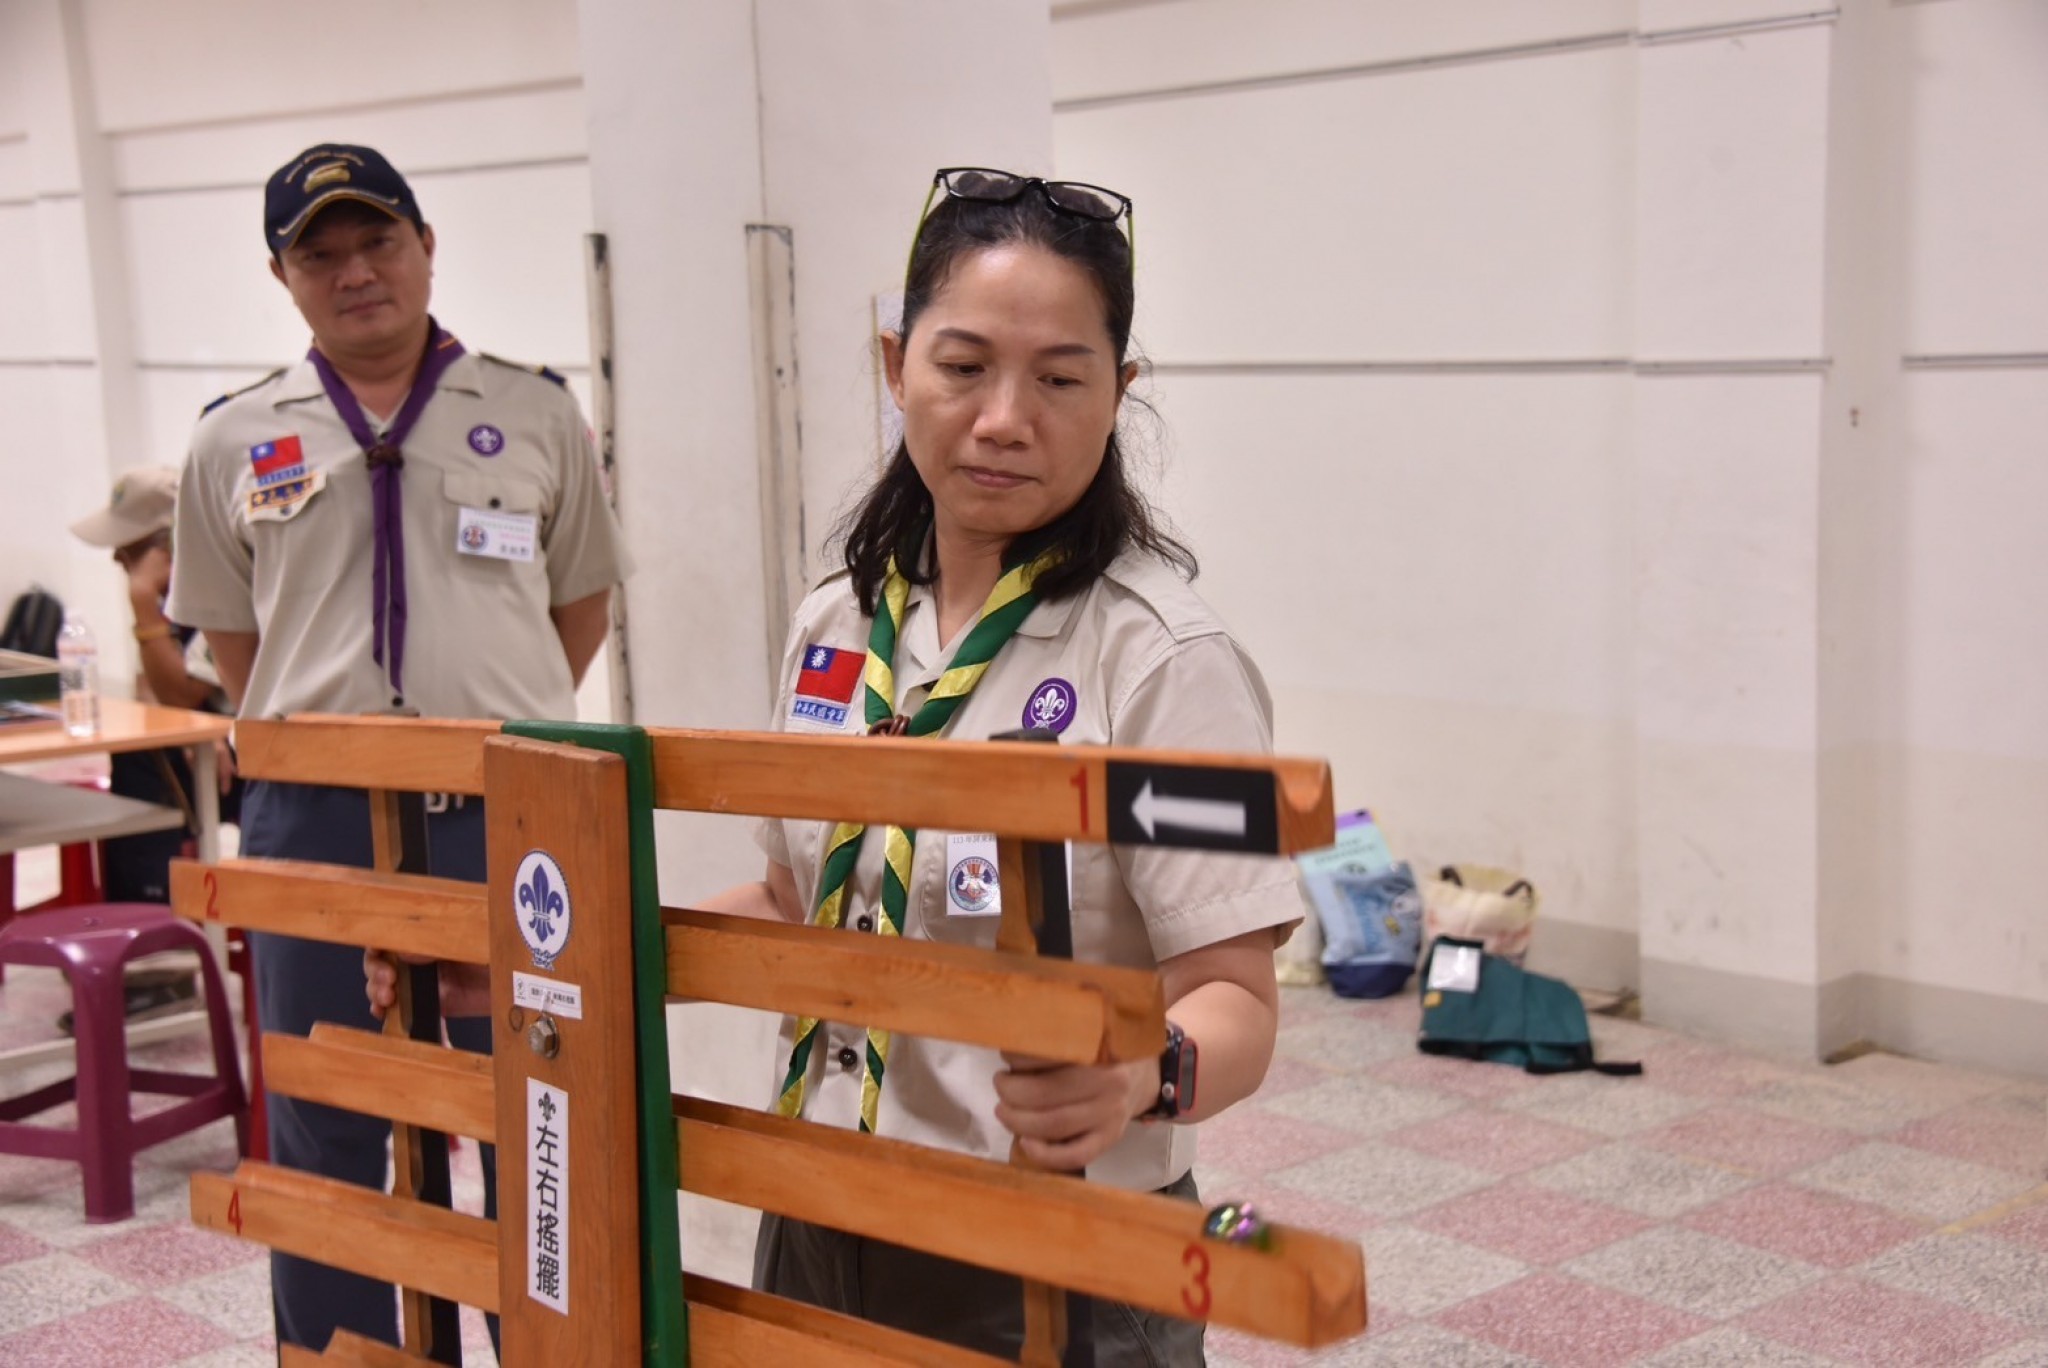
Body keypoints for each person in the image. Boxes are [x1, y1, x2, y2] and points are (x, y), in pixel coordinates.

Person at [369, 166, 1303, 1364]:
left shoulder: (1168, 663)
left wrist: (1139, 1074)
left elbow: (1235, 999)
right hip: (815, 1211)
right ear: (894, 365)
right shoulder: (837, 622)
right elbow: (790, 902)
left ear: (1117, 394)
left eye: (1060, 379)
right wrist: (559, 966)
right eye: (962, 366)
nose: (1003, 417)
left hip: (1053, 1251)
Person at [169, 142, 629, 1357]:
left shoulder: (534, 410)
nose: (355, 272)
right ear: (282, 277)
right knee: (324, 1112)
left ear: (425, 246)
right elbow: (234, 642)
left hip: (503, 817)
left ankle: (544, 1349)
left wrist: (482, 727)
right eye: (318, 254)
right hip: (313, 821)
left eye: (377, 241)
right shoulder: (232, 438)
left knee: (533, 1110)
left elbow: (578, 608)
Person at [65, 464, 240, 1021]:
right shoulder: (171, 597)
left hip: (267, 753)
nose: (119, 563)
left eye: (128, 552)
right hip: (218, 747)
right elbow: (155, 689)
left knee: (145, 762)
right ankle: (144, 938)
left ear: (166, 546)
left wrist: (142, 603)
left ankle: (156, 956)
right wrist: (186, 725)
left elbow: (182, 690)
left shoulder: (218, 578)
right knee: (150, 752)